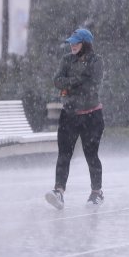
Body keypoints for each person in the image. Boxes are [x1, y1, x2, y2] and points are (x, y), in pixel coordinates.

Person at [45, 28, 105, 209]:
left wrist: (69, 83)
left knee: (91, 155)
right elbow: (57, 81)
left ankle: (96, 192)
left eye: (76, 43)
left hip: (92, 116)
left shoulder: (97, 61)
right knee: (64, 154)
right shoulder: (66, 60)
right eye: (71, 42)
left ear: (85, 44)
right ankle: (59, 191)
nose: (72, 46)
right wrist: (76, 81)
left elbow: (92, 85)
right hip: (69, 115)